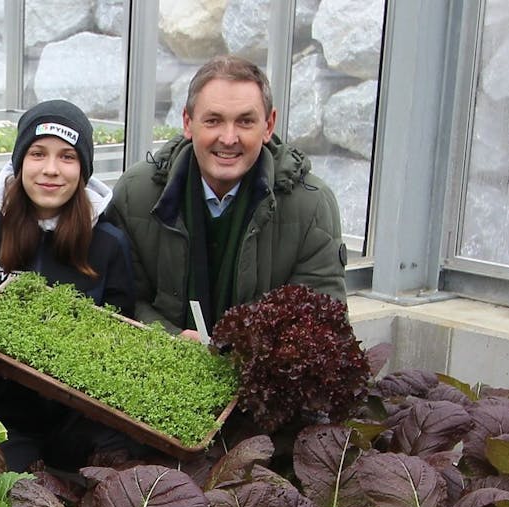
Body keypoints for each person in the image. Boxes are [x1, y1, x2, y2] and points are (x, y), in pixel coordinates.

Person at [0, 99, 136, 469]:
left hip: (81, 425)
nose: (50, 170)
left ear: (83, 169)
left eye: (67, 157)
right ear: (20, 163)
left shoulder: (108, 244)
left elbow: (123, 340)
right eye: (38, 154)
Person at [110, 54, 348, 334]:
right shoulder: (136, 193)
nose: (228, 138)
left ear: (269, 126)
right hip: (159, 369)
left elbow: (322, 322)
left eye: (245, 122)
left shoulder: (311, 206)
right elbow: (122, 301)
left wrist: (246, 353)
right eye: (213, 120)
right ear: (187, 122)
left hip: (260, 377)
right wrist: (172, 342)